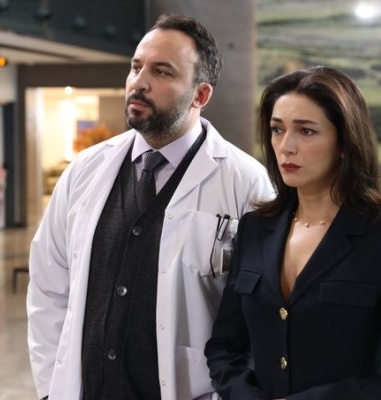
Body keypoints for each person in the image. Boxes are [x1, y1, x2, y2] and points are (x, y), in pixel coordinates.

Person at [27, 13, 273, 400]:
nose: (139, 82)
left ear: (200, 95)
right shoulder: (85, 170)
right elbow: (48, 285)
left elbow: (258, 315)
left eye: (161, 71)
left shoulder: (246, 183)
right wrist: (49, 389)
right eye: (136, 66)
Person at [205, 65, 381, 400]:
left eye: (306, 131)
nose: (286, 146)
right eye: (277, 129)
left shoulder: (375, 233)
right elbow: (225, 346)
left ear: (345, 142)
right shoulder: (255, 228)